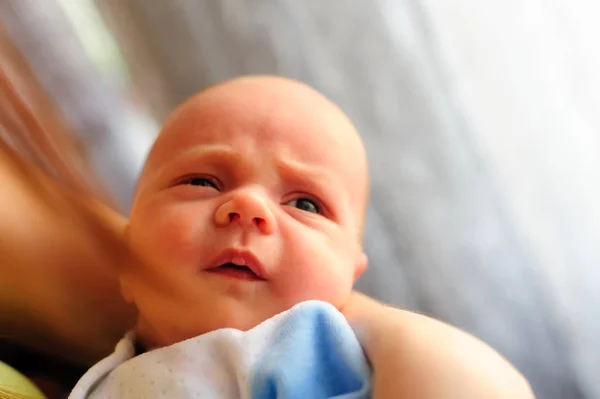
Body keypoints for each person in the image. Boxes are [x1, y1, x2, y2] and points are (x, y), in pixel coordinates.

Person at [0, 71, 534, 398]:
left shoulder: (312, 354)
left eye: (305, 203)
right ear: (127, 246)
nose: (247, 208)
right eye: (202, 180)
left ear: (350, 276)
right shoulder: (102, 374)